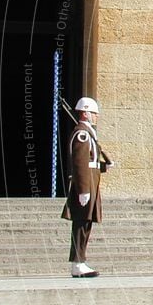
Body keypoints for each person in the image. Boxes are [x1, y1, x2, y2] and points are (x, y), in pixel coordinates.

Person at [61, 96, 109, 278]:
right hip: (86, 184)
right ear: (86, 113)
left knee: (86, 224)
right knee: (81, 225)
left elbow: (91, 162)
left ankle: (80, 261)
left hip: (91, 182)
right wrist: (83, 190)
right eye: (94, 113)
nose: (96, 117)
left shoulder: (88, 133)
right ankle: (77, 262)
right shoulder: (82, 133)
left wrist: (104, 166)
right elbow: (80, 163)